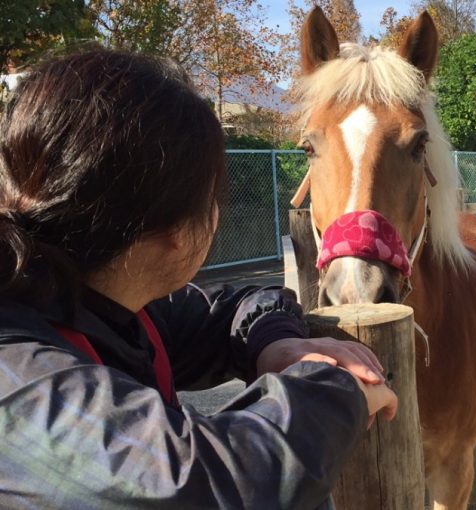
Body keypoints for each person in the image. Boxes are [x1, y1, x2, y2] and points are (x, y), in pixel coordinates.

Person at [0, 48, 397, 509]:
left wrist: (279, 344)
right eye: (213, 200)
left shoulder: (108, 299)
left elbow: (239, 307)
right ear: (174, 231)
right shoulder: (16, 371)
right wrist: (338, 394)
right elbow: (196, 481)